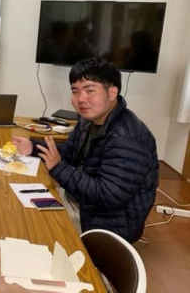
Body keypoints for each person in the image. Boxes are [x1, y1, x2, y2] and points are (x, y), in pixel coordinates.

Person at [12, 58, 159, 243]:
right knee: (17, 207)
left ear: (112, 92)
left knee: (28, 227)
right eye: (75, 91)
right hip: (78, 200)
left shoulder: (128, 138)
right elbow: (70, 151)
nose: (81, 99)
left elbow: (108, 196)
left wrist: (58, 168)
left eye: (90, 90)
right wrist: (33, 147)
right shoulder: (88, 120)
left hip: (103, 222)